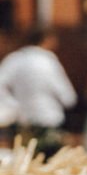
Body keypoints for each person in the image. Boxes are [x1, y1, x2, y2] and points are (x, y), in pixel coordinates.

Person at [0, 28, 77, 159]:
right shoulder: (48, 61)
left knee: (25, 162)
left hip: (23, 123)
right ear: (46, 40)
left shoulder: (14, 59)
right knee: (50, 165)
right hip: (49, 122)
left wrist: (13, 105)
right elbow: (68, 97)